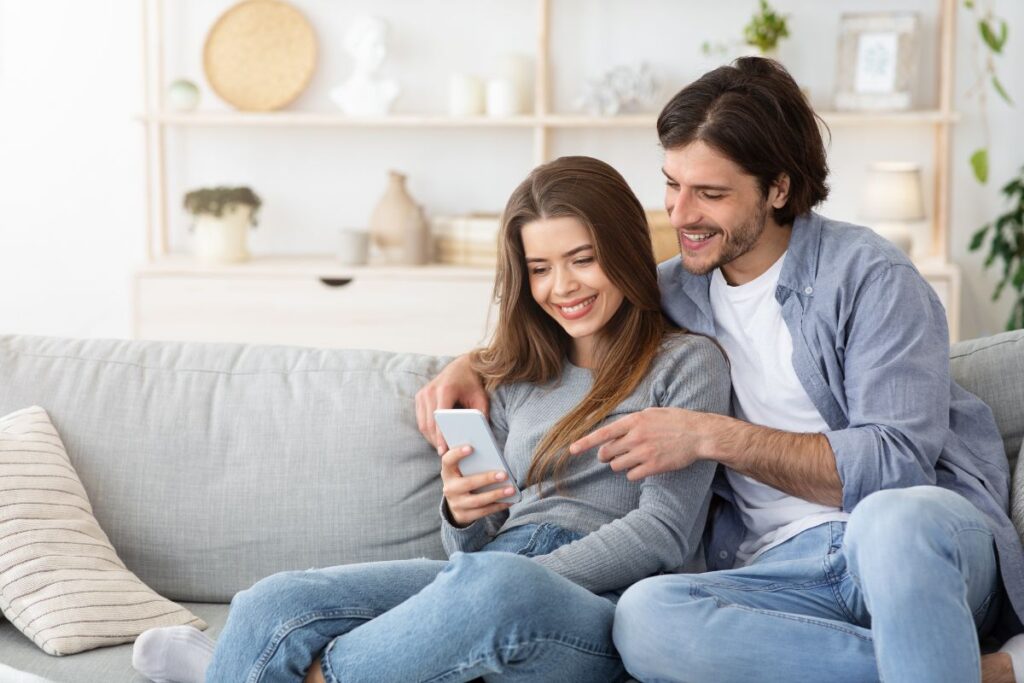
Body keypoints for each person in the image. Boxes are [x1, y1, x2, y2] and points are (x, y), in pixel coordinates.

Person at [417, 58, 1024, 683]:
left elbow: (895, 465)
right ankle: (976, 670)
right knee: (646, 618)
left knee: (894, 516)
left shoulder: (871, 278)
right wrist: (475, 365)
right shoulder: (674, 291)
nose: (680, 215)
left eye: (709, 194)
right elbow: (567, 315)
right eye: (672, 185)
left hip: (903, 553)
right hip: (773, 573)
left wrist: (709, 435)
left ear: (778, 189)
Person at [130, 155, 730, 683]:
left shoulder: (686, 364)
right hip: (489, 573)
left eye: (582, 259)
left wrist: (505, 574)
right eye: (541, 268)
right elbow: (472, 546)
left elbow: (665, 533)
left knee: (496, 587)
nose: (562, 286)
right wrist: (462, 512)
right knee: (271, 602)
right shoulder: (521, 375)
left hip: (590, 607)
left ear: (624, 252)